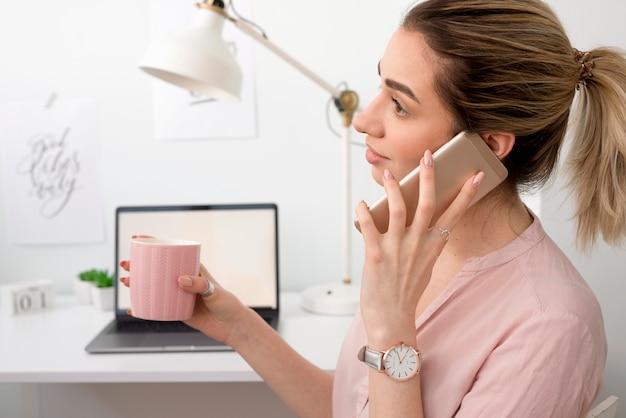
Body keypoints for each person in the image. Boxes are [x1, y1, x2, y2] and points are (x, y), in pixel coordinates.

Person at [121, 0, 626, 416]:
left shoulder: (551, 325)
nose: (363, 119)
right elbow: (351, 406)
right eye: (381, 84)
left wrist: (391, 328)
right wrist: (236, 325)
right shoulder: (410, 252)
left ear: (489, 146)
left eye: (400, 104)